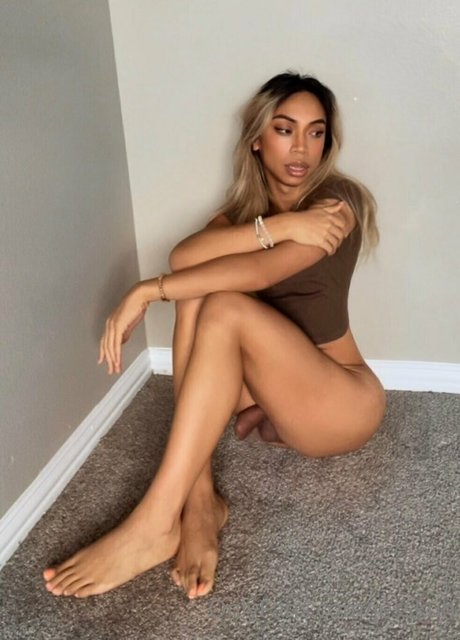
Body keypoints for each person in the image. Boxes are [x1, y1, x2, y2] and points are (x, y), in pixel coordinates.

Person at [43, 71, 387, 600]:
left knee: (222, 303)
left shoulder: (336, 205)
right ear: (257, 139)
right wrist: (277, 226)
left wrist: (146, 291)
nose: (301, 148)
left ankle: (154, 522)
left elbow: (259, 272)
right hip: (278, 393)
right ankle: (200, 499)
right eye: (284, 129)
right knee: (199, 294)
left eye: (316, 132)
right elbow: (185, 257)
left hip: (342, 401)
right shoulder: (249, 215)